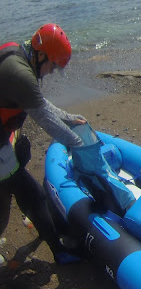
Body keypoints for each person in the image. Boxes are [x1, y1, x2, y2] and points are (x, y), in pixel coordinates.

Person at [0, 23, 86, 265]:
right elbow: (45, 121)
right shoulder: (21, 74)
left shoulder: (17, 52)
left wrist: (69, 118)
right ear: (41, 55)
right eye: (52, 66)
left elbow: (38, 103)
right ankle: (59, 252)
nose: (50, 72)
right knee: (31, 194)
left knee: (18, 188)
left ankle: (54, 245)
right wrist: (80, 144)